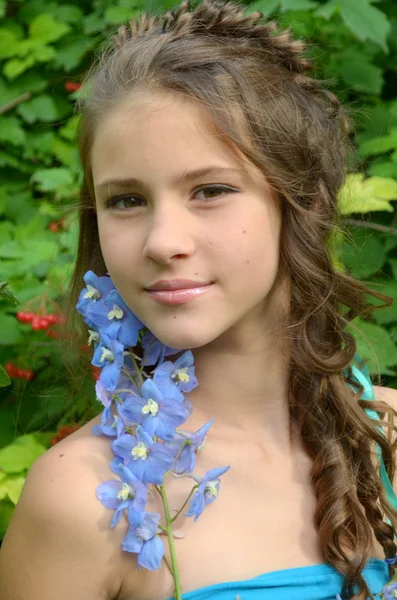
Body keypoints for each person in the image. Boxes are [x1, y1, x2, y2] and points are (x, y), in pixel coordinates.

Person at [0, 0, 397, 598]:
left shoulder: (387, 440)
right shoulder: (82, 500)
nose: (163, 242)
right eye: (126, 200)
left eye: (210, 190)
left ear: (306, 203)